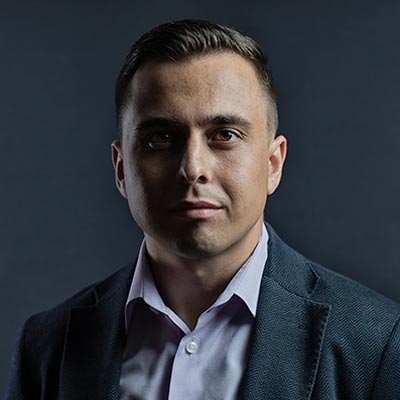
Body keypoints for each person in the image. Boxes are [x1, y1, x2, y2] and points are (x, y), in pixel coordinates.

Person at [6, 19, 400, 400]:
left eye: (224, 135)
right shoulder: (47, 347)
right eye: (161, 138)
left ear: (272, 164)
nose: (193, 168)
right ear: (122, 168)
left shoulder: (378, 344)